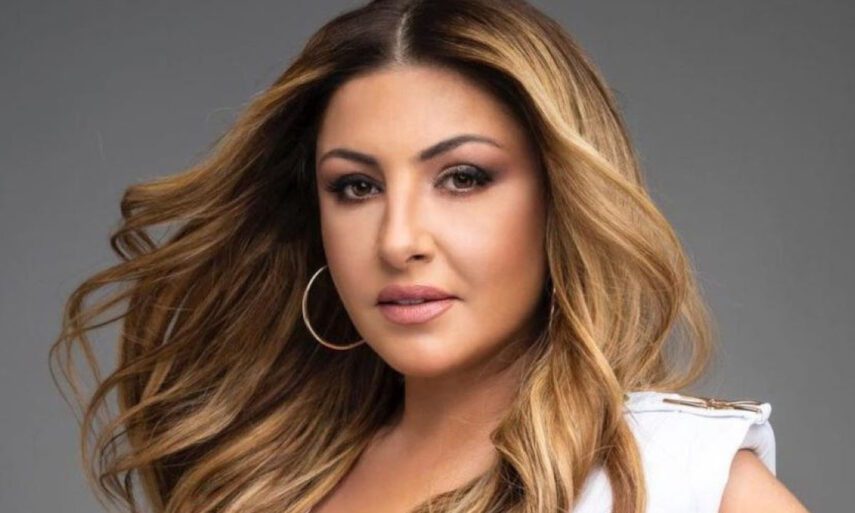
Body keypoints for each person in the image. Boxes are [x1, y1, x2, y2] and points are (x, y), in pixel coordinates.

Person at [49, 1, 811, 512]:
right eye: (355, 186)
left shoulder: (679, 479)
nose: (397, 239)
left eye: (463, 178)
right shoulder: (261, 480)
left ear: (561, 199)